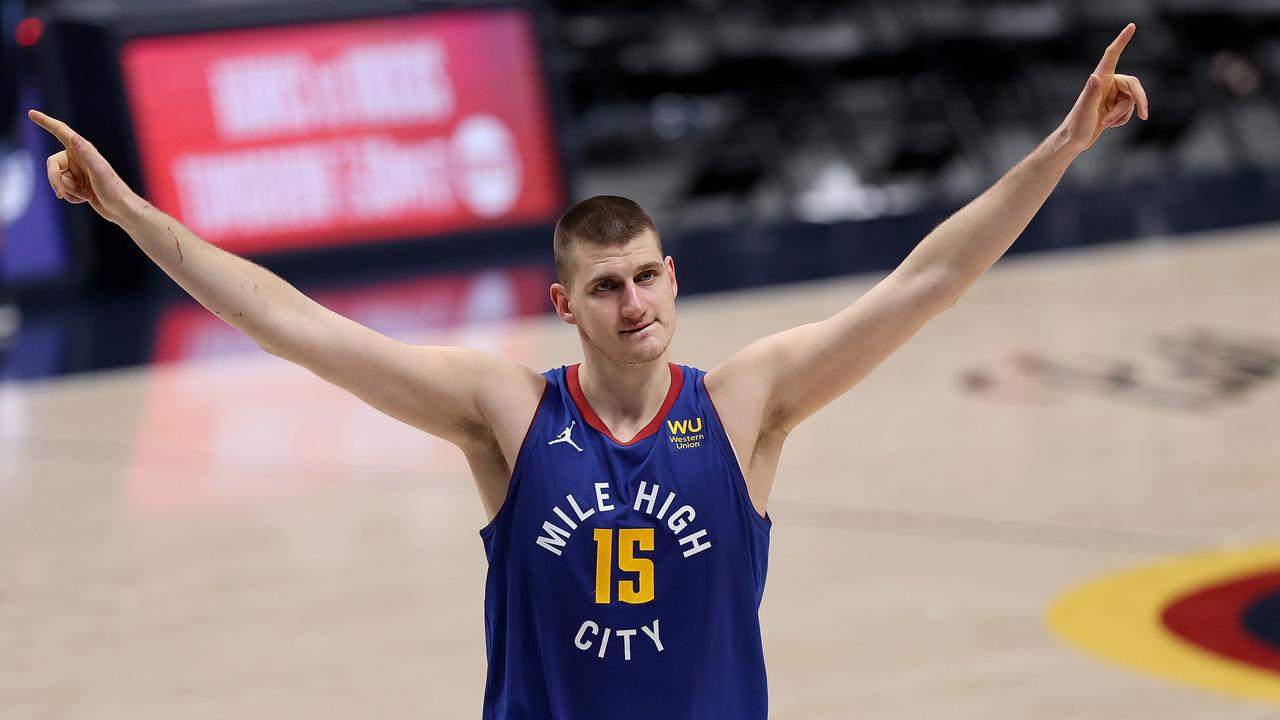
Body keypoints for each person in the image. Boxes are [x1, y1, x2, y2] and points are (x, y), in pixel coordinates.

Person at [29, 22, 1147, 719]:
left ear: (672, 277)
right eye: (607, 288)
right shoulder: (503, 413)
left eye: (648, 278)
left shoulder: (745, 404)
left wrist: (1059, 147)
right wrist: (128, 212)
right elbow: (291, 322)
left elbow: (926, 281)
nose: (635, 305)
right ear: (564, 306)